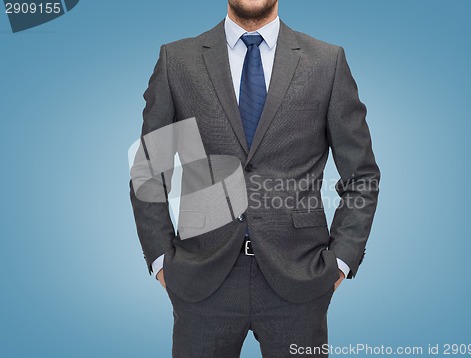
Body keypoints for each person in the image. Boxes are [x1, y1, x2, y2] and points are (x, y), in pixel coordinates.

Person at [130, 0, 380, 356]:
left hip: (299, 280)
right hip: (202, 282)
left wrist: (340, 261)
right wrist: (160, 261)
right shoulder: (177, 60)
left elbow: (362, 176)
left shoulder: (327, 62)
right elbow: (150, 170)